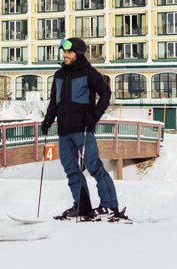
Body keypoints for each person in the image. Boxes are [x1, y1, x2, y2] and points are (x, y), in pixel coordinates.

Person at [41, 37, 124, 220]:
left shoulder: (89, 73)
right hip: (64, 131)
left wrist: (94, 116)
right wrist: (47, 121)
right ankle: (82, 206)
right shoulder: (59, 75)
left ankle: (110, 206)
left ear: (77, 53)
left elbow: (105, 93)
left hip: (83, 130)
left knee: (94, 167)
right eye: (64, 52)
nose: (65, 55)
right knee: (71, 169)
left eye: (69, 52)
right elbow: (55, 102)